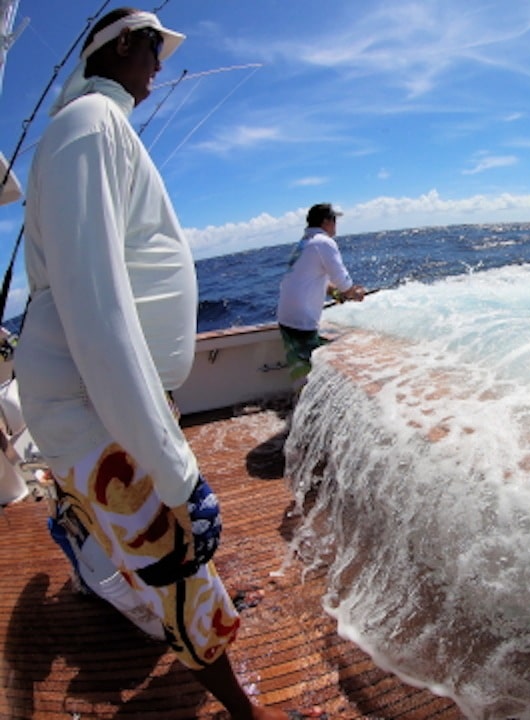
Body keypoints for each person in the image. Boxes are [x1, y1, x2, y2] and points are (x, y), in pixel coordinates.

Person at [14, 8, 288, 719]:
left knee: (139, 535)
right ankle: (248, 714)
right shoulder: (88, 127)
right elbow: (95, 306)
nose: (162, 66)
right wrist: (174, 472)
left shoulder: (93, 127)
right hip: (90, 395)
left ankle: (100, 569)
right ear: (125, 45)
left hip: (97, 394)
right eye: (156, 49)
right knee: (177, 562)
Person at [276, 203, 365, 382]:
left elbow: (316, 280)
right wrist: (354, 293)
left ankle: (300, 400)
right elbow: (344, 284)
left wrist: (337, 294)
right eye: (334, 220)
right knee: (315, 378)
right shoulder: (324, 242)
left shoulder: (305, 243)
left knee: (302, 373)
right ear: (326, 222)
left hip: (286, 318)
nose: (335, 225)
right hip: (301, 322)